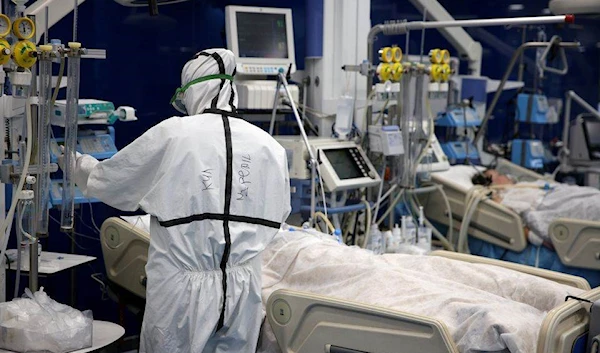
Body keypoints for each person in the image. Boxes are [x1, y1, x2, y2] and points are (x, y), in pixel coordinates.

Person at [59, 48, 291, 352]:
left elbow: (110, 179)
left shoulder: (175, 135)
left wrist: (68, 162)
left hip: (181, 293)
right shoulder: (270, 147)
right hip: (242, 289)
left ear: (193, 89)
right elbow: (279, 213)